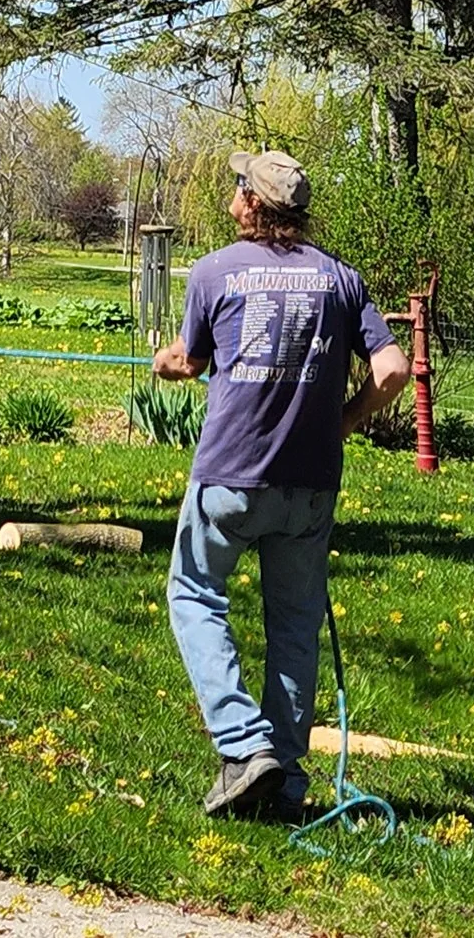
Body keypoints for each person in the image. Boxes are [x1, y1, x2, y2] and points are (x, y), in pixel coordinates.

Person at [151, 150, 411, 825]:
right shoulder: (341, 279)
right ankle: (288, 786)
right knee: (295, 625)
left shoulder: (215, 271)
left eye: (238, 187)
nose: (232, 195)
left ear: (250, 203)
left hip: (231, 474)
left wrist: (167, 363)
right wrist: (344, 421)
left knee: (194, 593)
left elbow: (192, 358)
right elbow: (393, 369)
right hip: (310, 483)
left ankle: (243, 747)